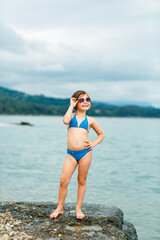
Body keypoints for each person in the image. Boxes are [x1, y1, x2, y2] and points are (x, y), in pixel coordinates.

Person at [50, 90, 105, 219]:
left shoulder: (90, 120)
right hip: (71, 154)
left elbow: (101, 134)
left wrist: (94, 143)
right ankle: (59, 208)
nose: (85, 102)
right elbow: (65, 120)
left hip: (85, 153)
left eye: (88, 99)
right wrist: (71, 106)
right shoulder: (71, 117)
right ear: (75, 102)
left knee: (81, 180)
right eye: (81, 100)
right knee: (63, 180)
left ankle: (78, 209)